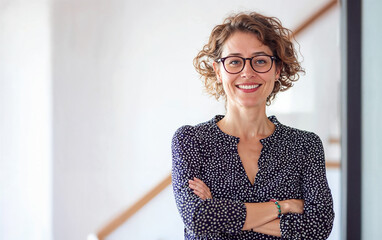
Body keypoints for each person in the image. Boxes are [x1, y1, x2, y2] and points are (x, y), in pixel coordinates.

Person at [171, 12, 334, 240]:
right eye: (235, 61)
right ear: (218, 71)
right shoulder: (191, 140)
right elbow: (199, 219)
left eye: (260, 61)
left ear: (277, 70)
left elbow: (318, 229)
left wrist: (221, 212)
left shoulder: (305, 145)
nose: (247, 72)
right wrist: (282, 207)